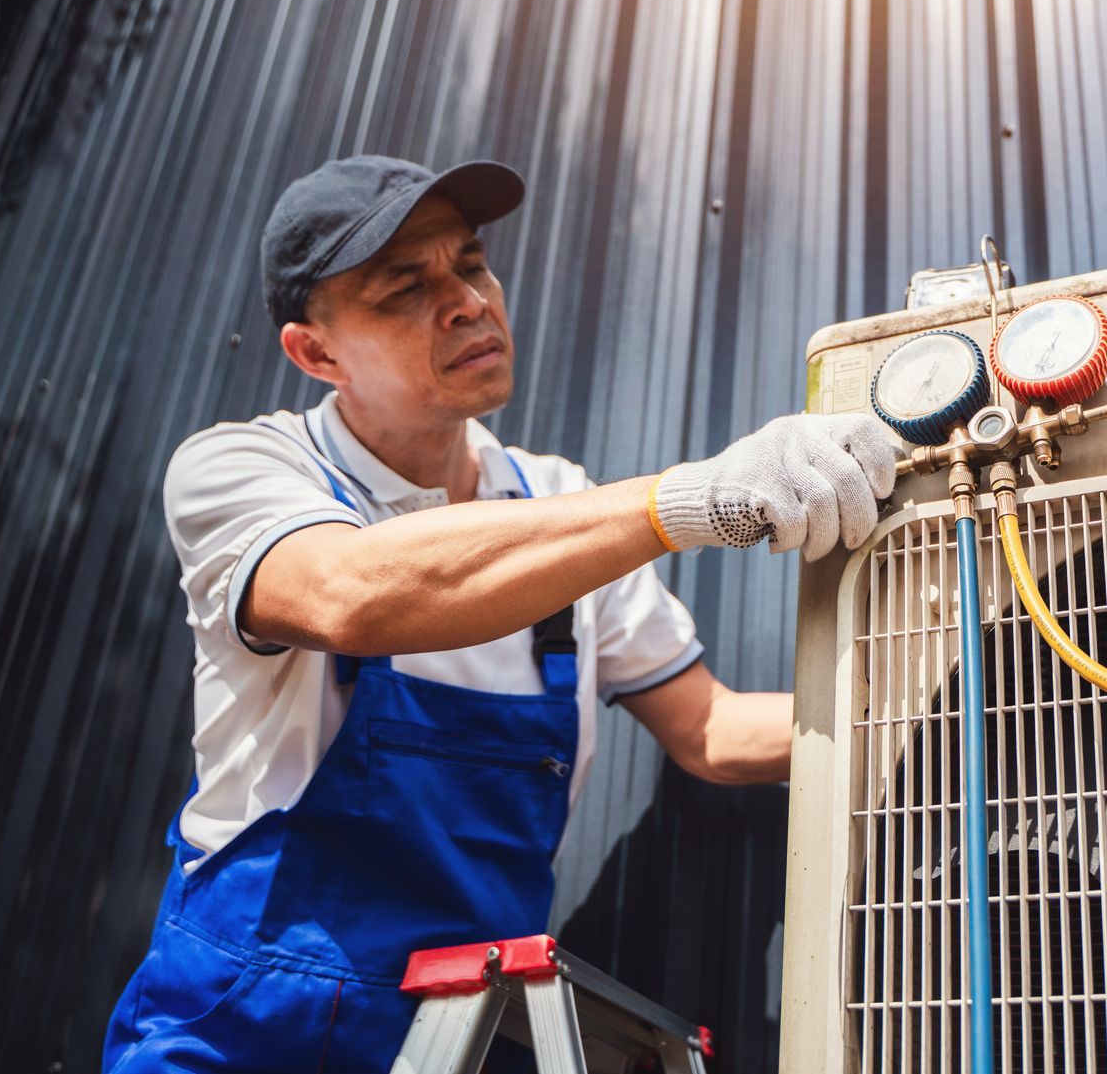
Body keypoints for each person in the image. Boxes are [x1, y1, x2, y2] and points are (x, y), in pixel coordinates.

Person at [103, 155, 898, 1071]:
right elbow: (350, 591)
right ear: (316, 353)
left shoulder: (557, 504)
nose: (467, 301)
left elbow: (710, 729)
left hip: (458, 1041)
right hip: (242, 1031)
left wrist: (930, 710)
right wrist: (686, 501)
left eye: (472, 263)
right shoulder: (243, 471)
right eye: (406, 285)